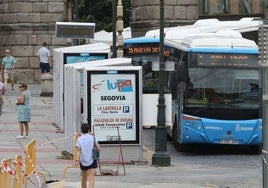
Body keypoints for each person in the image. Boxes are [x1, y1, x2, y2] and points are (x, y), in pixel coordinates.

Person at [74, 123, 100, 188]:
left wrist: (77, 160)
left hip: (83, 161)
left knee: (84, 179)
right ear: (89, 130)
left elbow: (78, 150)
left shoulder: (79, 139)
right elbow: (98, 148)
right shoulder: (93, 138)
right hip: (92, 160)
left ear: (81, 130)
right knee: (91, 179)